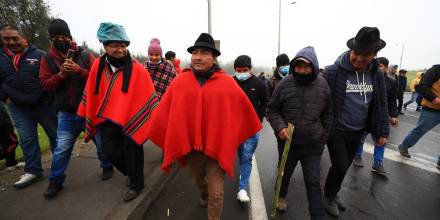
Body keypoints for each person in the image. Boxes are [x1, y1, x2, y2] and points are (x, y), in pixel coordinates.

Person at [147, 33, 262, 220]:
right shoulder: (180, 82)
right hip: (192, 147)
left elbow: (244, 112)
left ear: (214, 57)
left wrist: (238, 131)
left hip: (217, 147)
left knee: (217, 193)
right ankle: (203, 191)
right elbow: (166, 113)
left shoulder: (227, 83)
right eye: (195, 53)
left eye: (204, 53)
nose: (198, 57)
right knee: (198, 179)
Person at [77, 22, 159, 202]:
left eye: (123, 45)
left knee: (133, 152)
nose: (120, 49)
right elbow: (92, 91)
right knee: (109, 151)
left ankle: (136, 184)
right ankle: (131, 173)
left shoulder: (137, 68)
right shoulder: (98, 65)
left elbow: (148, 97)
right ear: (105, 46)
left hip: (131, 118)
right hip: (107, 119)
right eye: (115, 45)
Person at [39, 19, 114, 198]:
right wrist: (61, 75)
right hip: (66, 113)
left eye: (63, 36)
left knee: (101, 144)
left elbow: (101, 79)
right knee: (62, 148)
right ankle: (55, 181)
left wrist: (80, 71)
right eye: (56, 37)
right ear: (51, 39)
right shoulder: (47, 58)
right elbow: (45, 85)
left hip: (90, 110)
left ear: (70, 36)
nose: (61, 40)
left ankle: (107, 166)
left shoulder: (85, 55)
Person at [322, 27, 389, 217]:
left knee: (346, 164)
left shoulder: (377, 74)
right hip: (336, 129)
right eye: (356, 53)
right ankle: (327, 196)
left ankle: (333, 193)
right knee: (340, 165)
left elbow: (381, 103)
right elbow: (320, 98)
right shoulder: (333, 72)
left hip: (358, 130)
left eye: (365, 55)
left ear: (374, 55)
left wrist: (383, 132)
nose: (359, 59)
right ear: (351, 50)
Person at [267, 46, 332, 219]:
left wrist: (322, 139)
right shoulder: (285, 83)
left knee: (313, 182)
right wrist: (280, 127)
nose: (301, 70)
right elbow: (272, 109)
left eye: (306, 66)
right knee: (284, 174)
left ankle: (317, 216)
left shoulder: (323, 85)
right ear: (293, 66)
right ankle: (280, 196)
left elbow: (328, 115)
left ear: (314, 67)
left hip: (313, 145)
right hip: (288, 143)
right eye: (298, 66)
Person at [0, 24, 57, 189]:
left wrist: (48, 97)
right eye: (6, 39)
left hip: (43, 104)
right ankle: (33, 171)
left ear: (24, 38)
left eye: (14, 38)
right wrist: (5, 98)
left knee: (54, 134)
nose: (11, 42)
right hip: (17, 106)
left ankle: (60, 163)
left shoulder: (40, 55)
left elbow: (52, 78)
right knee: (27, 138)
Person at [352, 56, 398, 174]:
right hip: (365, 115)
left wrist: (393, 115)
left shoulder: (391, 83)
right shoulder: (367, 78)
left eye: (381, 66)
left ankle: (378, 163)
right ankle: (357, 156)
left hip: (380, 116)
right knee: (361, 138)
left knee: (381, 139)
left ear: (386, 68)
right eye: (377, 66)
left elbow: (392, 101)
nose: (378, 68)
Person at [232, 55, 267, 203]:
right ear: (235, 70)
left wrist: (257, 121)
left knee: (247, 157)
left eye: (245, 70)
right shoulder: (231, 82)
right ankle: (243, 173)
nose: (242, 73)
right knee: (241, 155)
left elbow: (264, 103)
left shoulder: (259, 84)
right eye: (239, 70)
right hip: (234, 128)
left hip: (251, 129)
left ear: (250, 69)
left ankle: (242, 189)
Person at [398, 64, 440, 169]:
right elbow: (421, 86)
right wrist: (435, 99)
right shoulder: (436, 69)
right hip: (432, 108)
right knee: (420, 130)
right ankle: (404, 146)